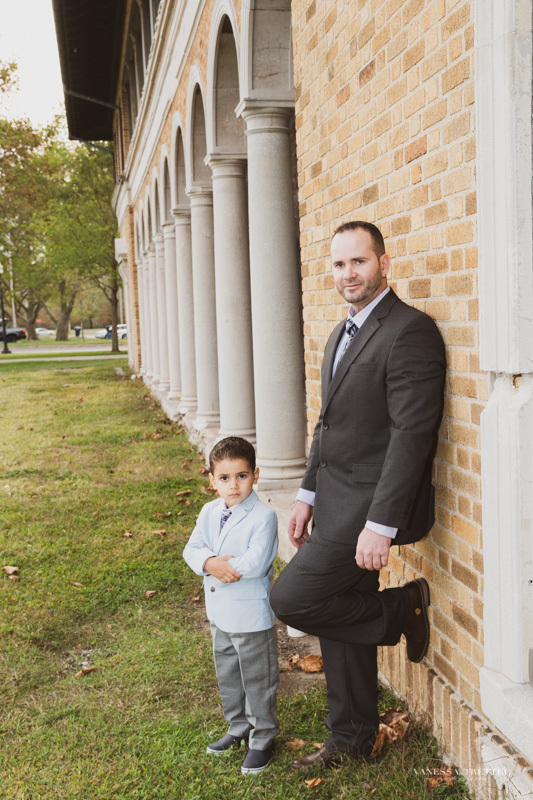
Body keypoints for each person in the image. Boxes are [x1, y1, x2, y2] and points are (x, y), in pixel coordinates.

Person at [270, 221, 446, 769]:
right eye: (339, 264)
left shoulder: (409, 331)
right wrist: (306, 492)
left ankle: (401, 607)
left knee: (294, 599)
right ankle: (352, 735)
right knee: (341, 611)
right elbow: (328, 426)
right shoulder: (340, 333)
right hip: (336, 498)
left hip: (370, 506)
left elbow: (411, 435)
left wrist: (382, 523)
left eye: (359, 262)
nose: (348, 274)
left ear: (384, 264)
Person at [183, 436, 279, 775]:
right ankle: (238, 726)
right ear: (211, 480)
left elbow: (255, 561)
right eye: (224, 478)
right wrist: (210, 562)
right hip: (220, 613)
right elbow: (191, 549)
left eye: (241, 476)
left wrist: (222, 565)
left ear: (255, 475)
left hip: (250, 614)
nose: (233, 485)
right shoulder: (209, 511)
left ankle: (263, 737)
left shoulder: (263, 516)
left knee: (257, 677)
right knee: (228, 672)